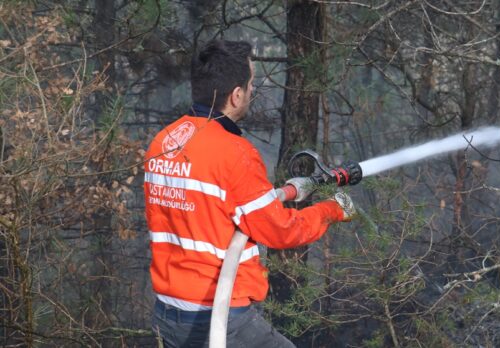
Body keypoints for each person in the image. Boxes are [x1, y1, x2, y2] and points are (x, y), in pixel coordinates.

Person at [144, 39, 353, 347]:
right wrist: (334, 208)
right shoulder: (234, 153)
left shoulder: (163, 142)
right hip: (219, 317)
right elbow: (281, 231)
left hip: (167, 314)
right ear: (236, 94)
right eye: (251, 84)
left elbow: (213, 207)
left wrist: (286, 192)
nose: (253, 91)